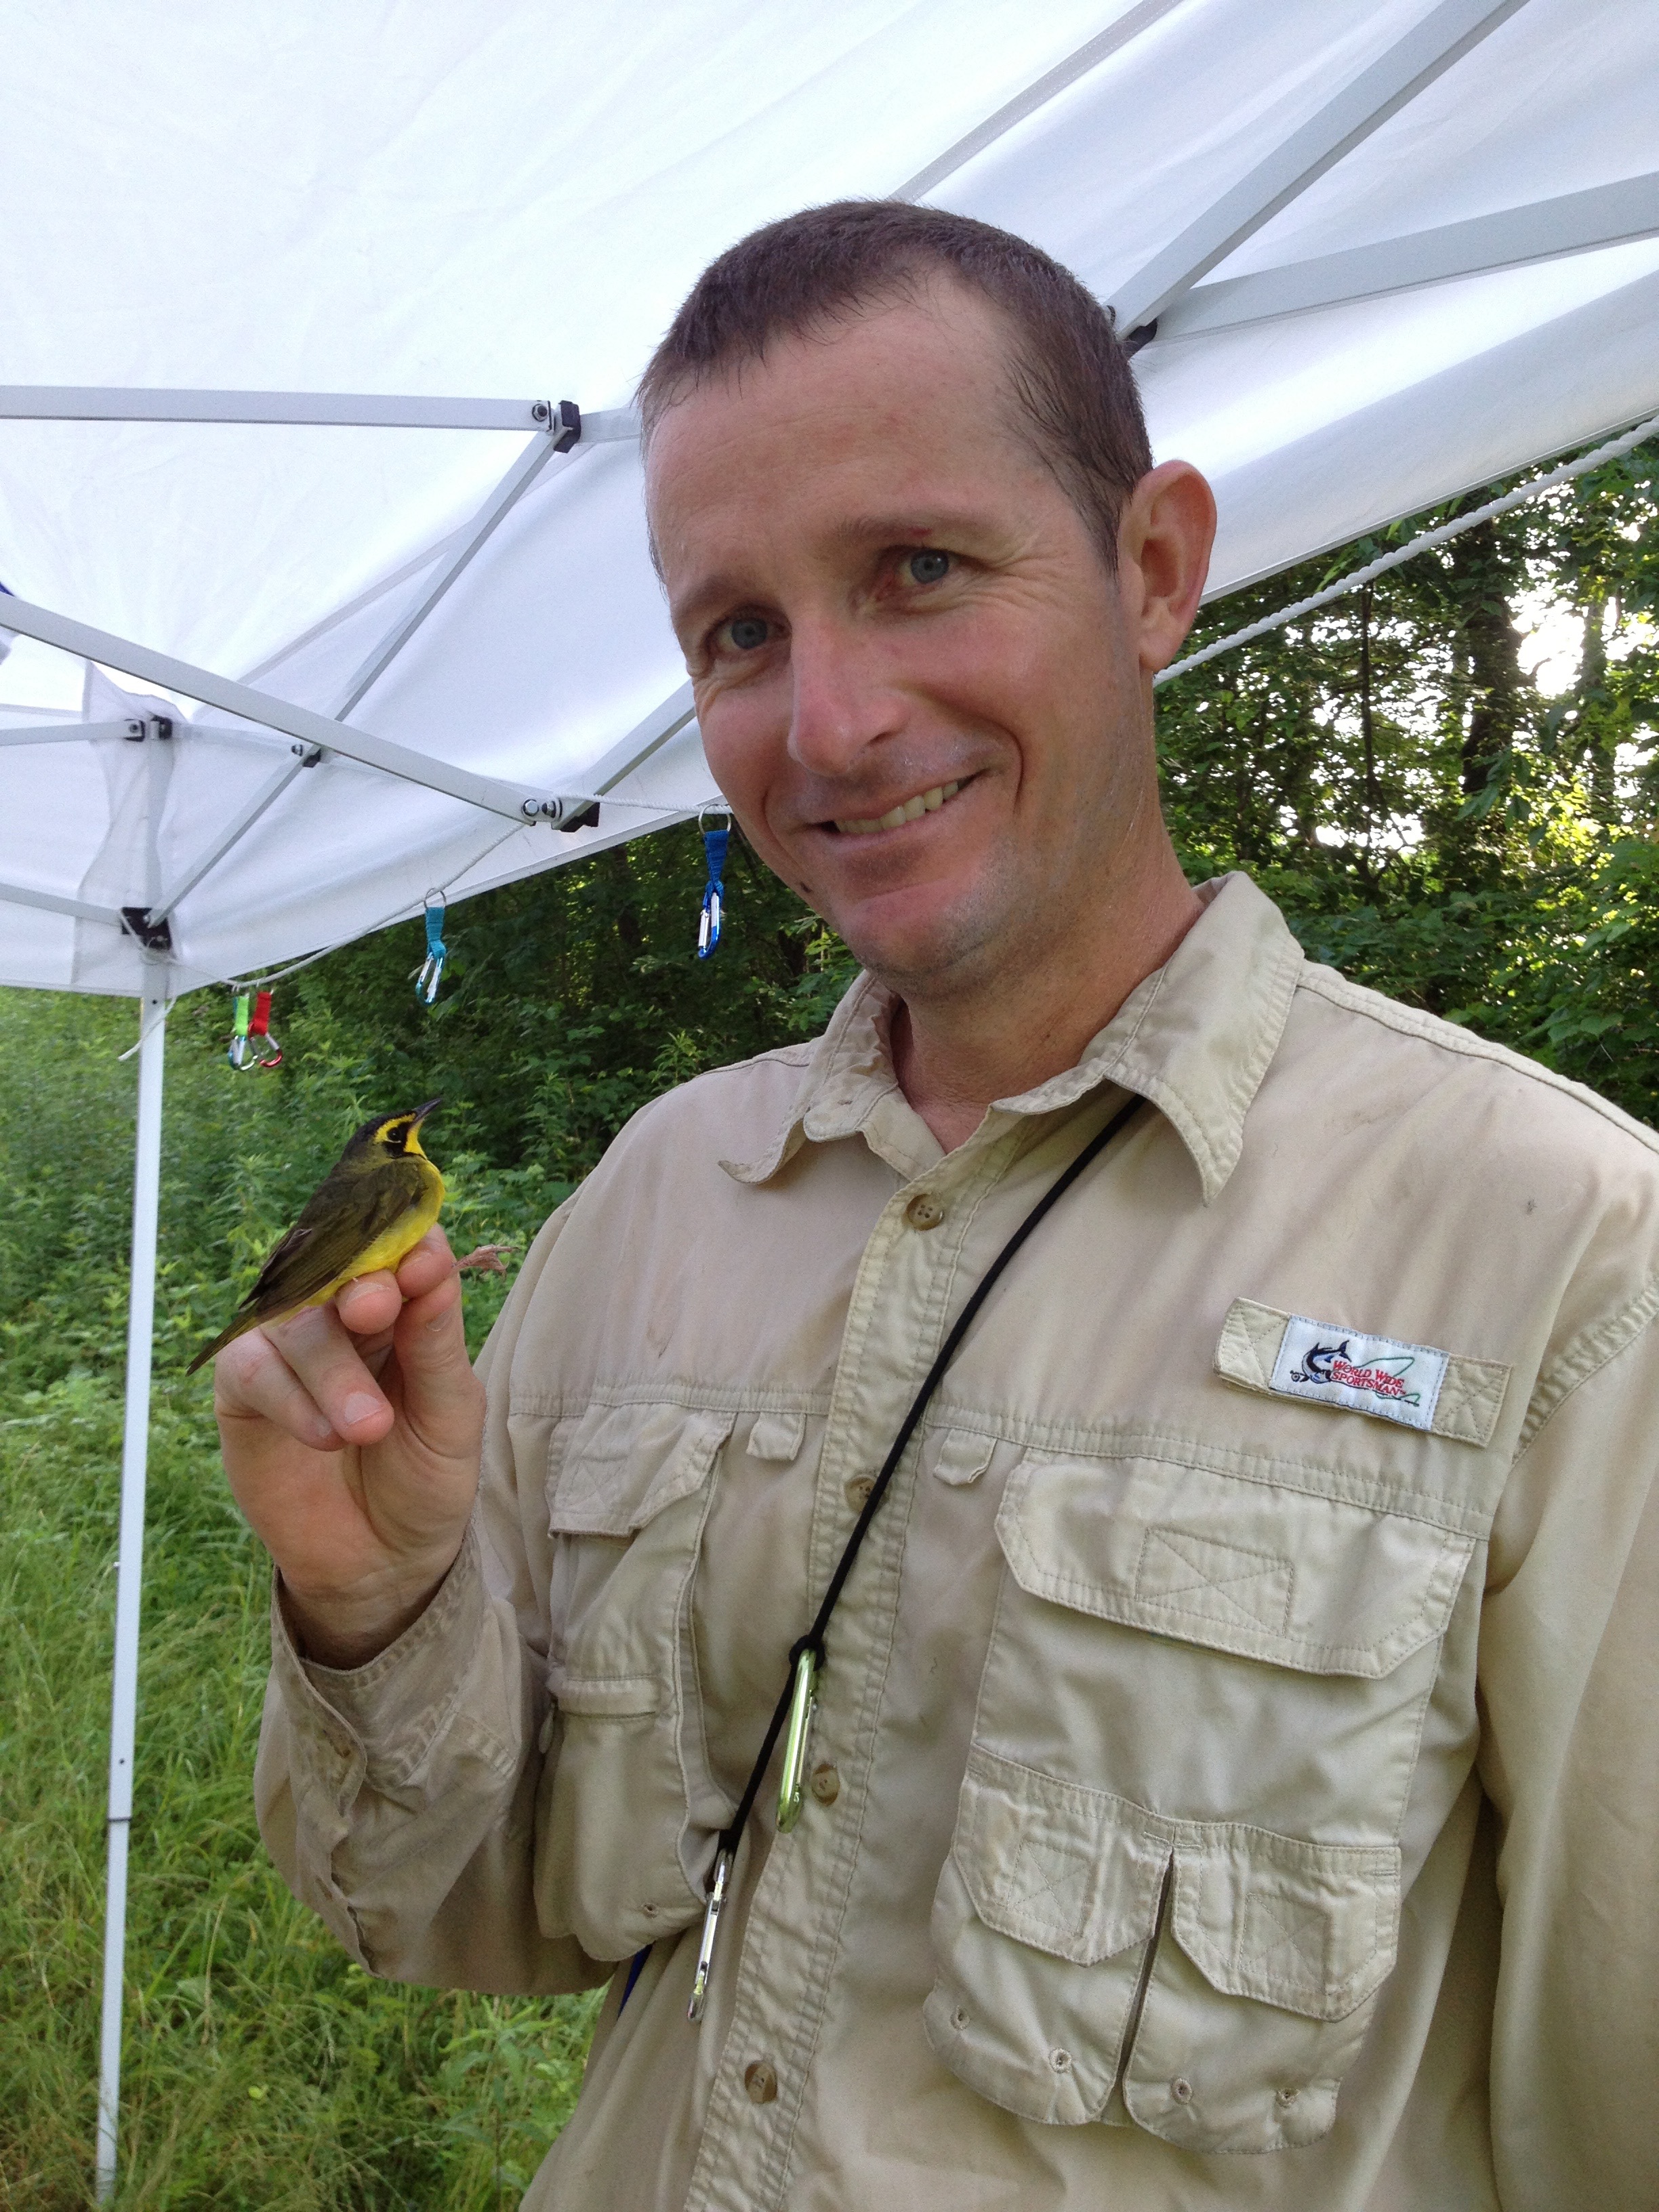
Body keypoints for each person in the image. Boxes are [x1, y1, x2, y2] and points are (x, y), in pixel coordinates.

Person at [218, 203, 1659, 2211]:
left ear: (1152, 571)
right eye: (738, 633)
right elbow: (470, 1916)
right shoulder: (658, 1204)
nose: (829, 723)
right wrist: (372, 1612)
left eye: (919, 570)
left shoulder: (1566, 1254)